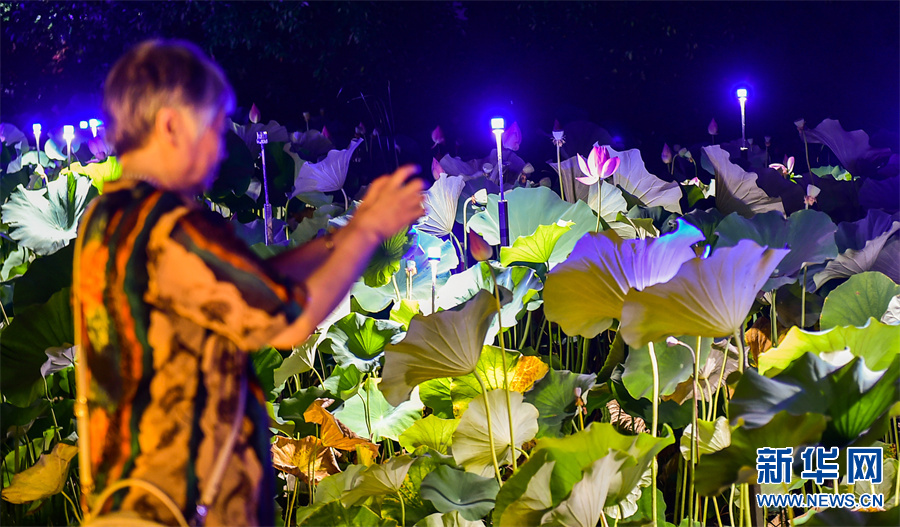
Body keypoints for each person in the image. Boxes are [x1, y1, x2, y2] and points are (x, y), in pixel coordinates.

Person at [72, 39, 424, 526]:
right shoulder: (170, 227)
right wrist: (365, 232)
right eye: (214, 127)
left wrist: (331, 245)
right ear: (171, 123)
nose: (220, 149)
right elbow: (287, 321)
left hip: (126, 495)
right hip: (179, 505)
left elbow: (248, 288)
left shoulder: (109, 216)